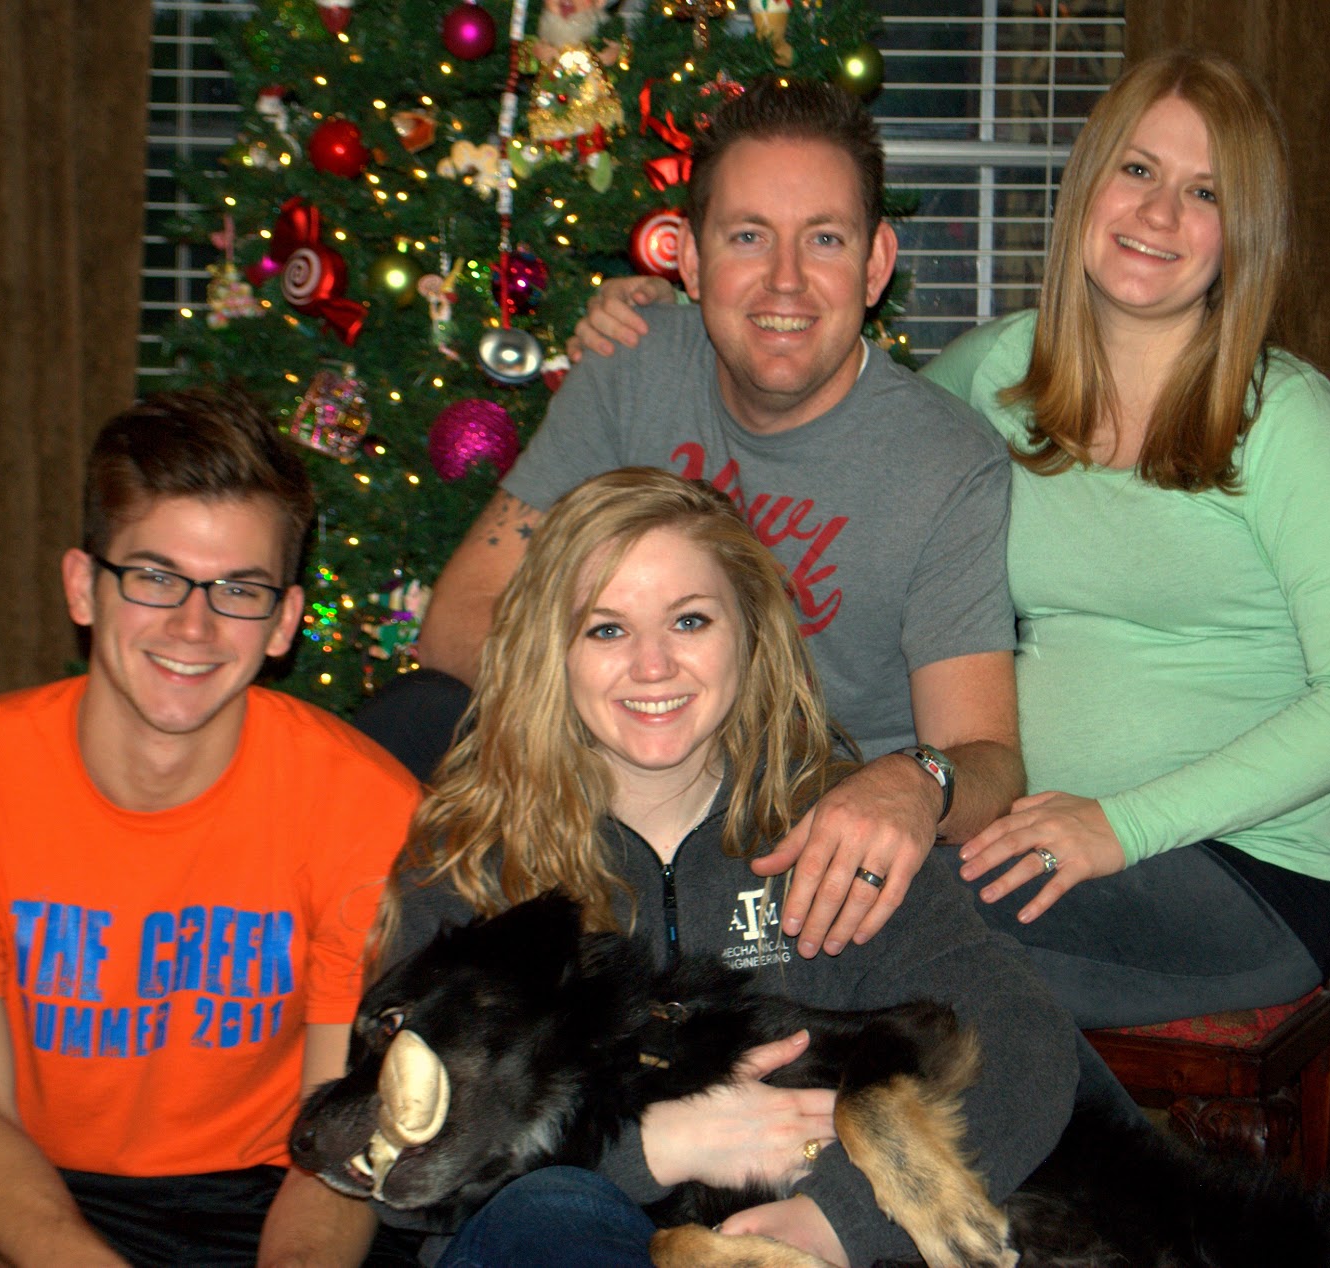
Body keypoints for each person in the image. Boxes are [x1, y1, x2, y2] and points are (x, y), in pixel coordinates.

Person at [575, 50, 1330, 1029]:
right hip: (1028, 839)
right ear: (1089, 182)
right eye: (1137, 170)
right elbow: (823, 407)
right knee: (801, 889)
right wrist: (675, 325)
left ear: (1243, 232)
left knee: (846, 919)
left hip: (1244, 874)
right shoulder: (996, 372)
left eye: (1205, 192)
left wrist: (1118, 825)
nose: (1157, 214)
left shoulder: (1285, 420)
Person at [380, 467, 1078, 1268]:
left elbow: (1025, 1039)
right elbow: (398, 1170)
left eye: (690, 620)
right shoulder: (470, 864)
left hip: (805, 1245)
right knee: (552, 1209)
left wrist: (837, 1222)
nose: (653, 666)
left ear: (749, 635)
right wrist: (659, 1144)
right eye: (605, 629)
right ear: (550, 651)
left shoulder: (839, 831)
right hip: (558, 1244)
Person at [402, 76, 1024, 963]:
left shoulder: (946, 465)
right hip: (611, 789)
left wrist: (916, 784)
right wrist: (631, 714)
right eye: (747, 237)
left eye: (824, 239)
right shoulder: (631, 370)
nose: (785, 280)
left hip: (803, 839)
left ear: (876, 263)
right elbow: (459, 621)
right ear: (690, 260)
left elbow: (987, 758)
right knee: (412, 723)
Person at [0, 388, 424, 1267]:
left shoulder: (368, 804)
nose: (193, 626)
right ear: (83, 587)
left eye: (239, 589)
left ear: (283, 621)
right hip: (34, 1193)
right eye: (155, 577)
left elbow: (337, 1147)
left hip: (277, 1195)